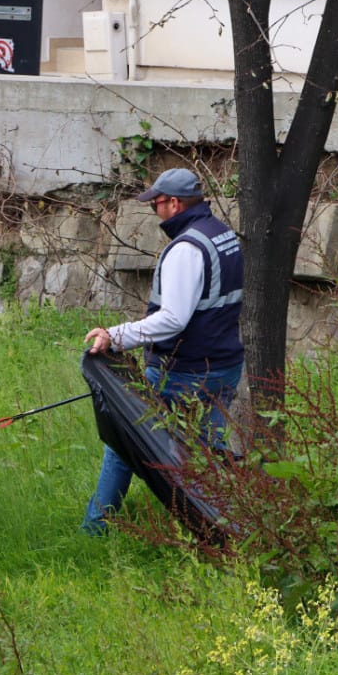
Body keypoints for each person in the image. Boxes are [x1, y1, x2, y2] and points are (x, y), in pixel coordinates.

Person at [82, 168, 244, 534]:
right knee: (207, 457)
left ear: (174, 203)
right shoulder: (222, 234)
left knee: (126, 444)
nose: (154, 211)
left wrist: (116, 335)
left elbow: (173, 319)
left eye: (156, 203)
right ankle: (226, 538)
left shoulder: (186, 249)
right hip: (224, 366)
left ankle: (94, 530)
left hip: (184, 371)